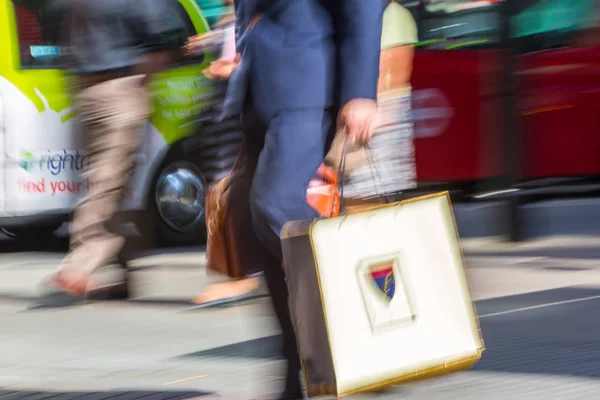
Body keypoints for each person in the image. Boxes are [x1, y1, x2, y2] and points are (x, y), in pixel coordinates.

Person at [224, 0, 385, 398]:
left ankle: (358, 332)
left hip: (308, 88)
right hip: (260, 93)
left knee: (278, 211)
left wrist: (362, 92)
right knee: (265, 238)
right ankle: (295, 371)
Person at [39, 0, 182, 304]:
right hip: (86, 91)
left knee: (105, 177)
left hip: (122, 87)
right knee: (112, 181)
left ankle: (81, 264)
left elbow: (168, 31)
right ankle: (123, 270)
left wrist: (145, 76)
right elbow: (52, 25)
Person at [186, 0, 263, 307]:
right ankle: (235, 271)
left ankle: (244, 274)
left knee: (231, 187)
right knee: (220, 187)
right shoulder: (230, 11)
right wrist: (210, 43)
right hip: (224, 103)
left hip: (239, 102)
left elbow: (260, 48)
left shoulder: (254, 8)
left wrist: (229, 68)